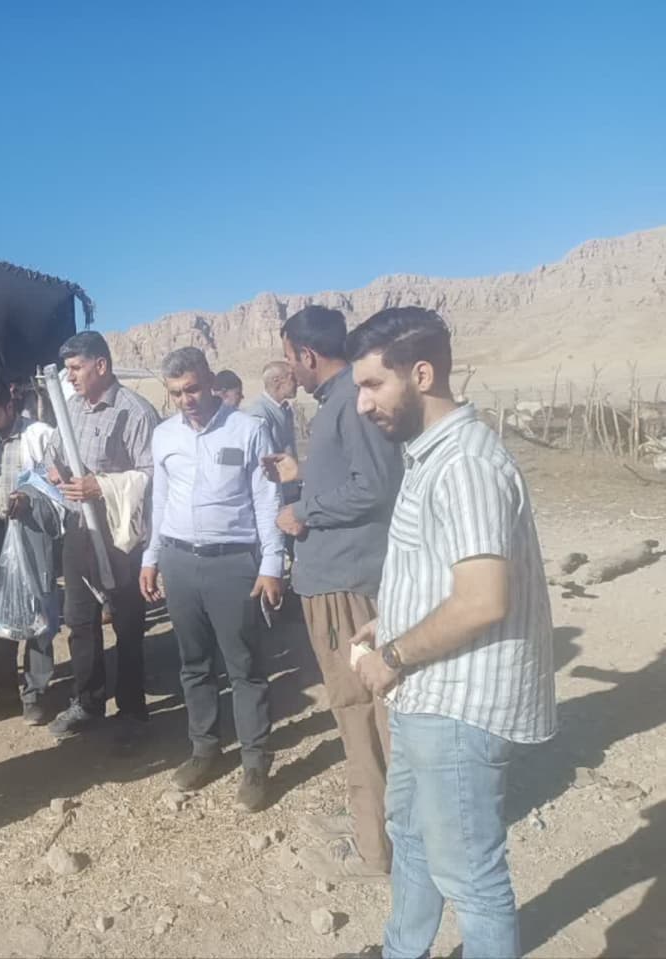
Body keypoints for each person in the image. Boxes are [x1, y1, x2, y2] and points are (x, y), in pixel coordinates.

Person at [348, 307, 555, 958]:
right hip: (427, 693)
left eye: (373, 385)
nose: (361, 404)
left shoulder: (466, 463)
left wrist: (392, 653)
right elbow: (442, 570)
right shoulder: (430, 455)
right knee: (410, 836)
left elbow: (483, 600)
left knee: (471, 876)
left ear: (422, 374)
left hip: (458, 706)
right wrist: (393, 618)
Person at [262, 305, 404, 881]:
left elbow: (374, 488)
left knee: (362, 710)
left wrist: (304, 511)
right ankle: (378, 824)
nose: (287, 370)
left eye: (289, 358)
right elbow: (351, 476)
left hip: (345, 585)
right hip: (334, 578)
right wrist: (302, 476)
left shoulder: (349, 402)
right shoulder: (338, 403)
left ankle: (379, 848)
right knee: (358, 711)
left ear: (306, 354)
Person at [138, 347, 284, 812]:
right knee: (194, 663)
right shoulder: (164, 436)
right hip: (180, 560)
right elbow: (160, 501)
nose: (188, 400)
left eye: (194, 389)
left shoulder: (248, 429)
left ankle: (255, 762)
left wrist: (272, 564)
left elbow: (267, 499)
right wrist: (152, 557)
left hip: (233, 563)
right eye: (177, 393)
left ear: (210, 382)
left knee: (244, 667)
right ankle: (204, 750)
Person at [44, 331, 159, 740]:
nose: (71, 377)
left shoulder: (136, 412)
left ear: (101, 365)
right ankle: (88, 702)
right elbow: (54, 452)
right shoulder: (71, 409)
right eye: (67, 370)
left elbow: (152, 475)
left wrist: (102, 486)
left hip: (119, 536)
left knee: (127, 622)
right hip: (79, 531)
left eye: (76, 368)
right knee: (79, 620)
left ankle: (132, 711)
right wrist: (55, 470)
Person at [0, 378, 59, 724]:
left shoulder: (39, 436)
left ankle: (36, 693)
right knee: (0, 610)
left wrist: (28, 500)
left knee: (38, 610)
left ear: (10, 406)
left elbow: (56, 489)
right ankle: (4, 692)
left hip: (32, 533)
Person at [248, 359, 301, 506]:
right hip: (275, 497)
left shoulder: (285, 410)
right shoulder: (259, 414)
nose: (298, 383)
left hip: (291, 490)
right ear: (277, 380)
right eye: (292, 378)